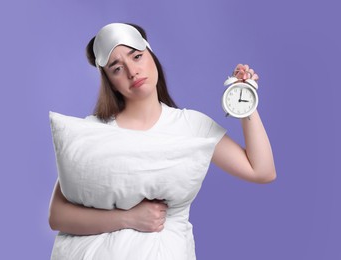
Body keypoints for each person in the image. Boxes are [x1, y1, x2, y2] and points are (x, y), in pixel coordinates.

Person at [48, 23, 276, 259]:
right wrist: (128, 218)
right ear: (108, 80)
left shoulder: (192, 126)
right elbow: (57, 216)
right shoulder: (94, 133)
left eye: (137, 56)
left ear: (151, 55)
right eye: (117, 68)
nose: (132, 71)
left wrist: (246, 102)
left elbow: (261, 171)